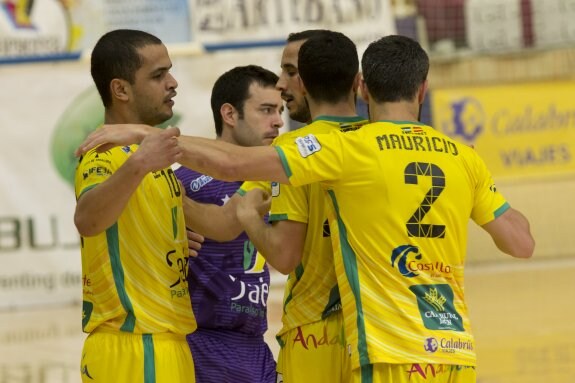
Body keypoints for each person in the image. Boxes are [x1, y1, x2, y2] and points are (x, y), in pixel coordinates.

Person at [78, 34, 535, 382]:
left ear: (364, 84)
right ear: (422, 87)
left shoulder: (330, 148)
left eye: (287, 72)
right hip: (451, 345)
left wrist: (147, 142)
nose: (280, 87)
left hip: (356, 340)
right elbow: (521, 242)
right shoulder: (460, 154)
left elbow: (275, 243)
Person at [236, 30, 366, 383]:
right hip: (378, 334)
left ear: (307, 82)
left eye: (291, 72)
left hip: (314, 333)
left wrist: (247, 216)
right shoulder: (379, 141)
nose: (280, 84)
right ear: (358, 82)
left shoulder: (292, 151)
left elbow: (283, 255)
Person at [73, 29, 200, 383]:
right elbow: (87, 218)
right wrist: (140, 163)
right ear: (121, 90)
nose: (172, 83)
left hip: (165, 342)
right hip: (134, 344)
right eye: (159, 75)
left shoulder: (149, 156)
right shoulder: (106, 151)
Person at [175, 65, 283, 383]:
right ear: (230, 115)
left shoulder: (276, 177)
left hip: (256, 343)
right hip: (203, 344)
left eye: (280, 110)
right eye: (266, 110)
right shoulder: (184, 181)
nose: (277, 120)